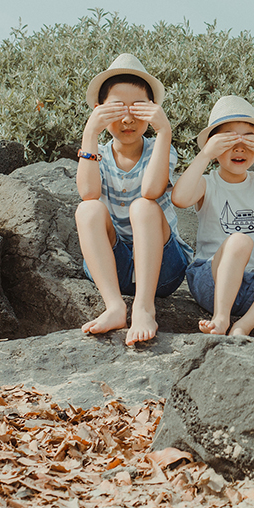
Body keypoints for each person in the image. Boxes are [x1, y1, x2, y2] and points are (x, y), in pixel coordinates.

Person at [75, 53, 193, 345]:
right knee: (88, 210)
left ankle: (143, 308)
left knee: (143, 206)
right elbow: (88, 194)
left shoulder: (160, 148)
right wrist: (90, 132)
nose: (128, 119)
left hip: (162, 268)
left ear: (152, 110)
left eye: (138, 108)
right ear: (100, 110)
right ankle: (115, 307)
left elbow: (151, 191)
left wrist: (164, 130)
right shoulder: (99, 154)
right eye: (117, 108)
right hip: (113, 267)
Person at [171, 95, 254, 336]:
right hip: (212, 280)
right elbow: (179, 198)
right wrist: (205, 155)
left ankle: (243, 326)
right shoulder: (208, 183)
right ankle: (221, 318)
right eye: (228, 140)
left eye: (249, 139)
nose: (239, 148)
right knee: (240, 241)